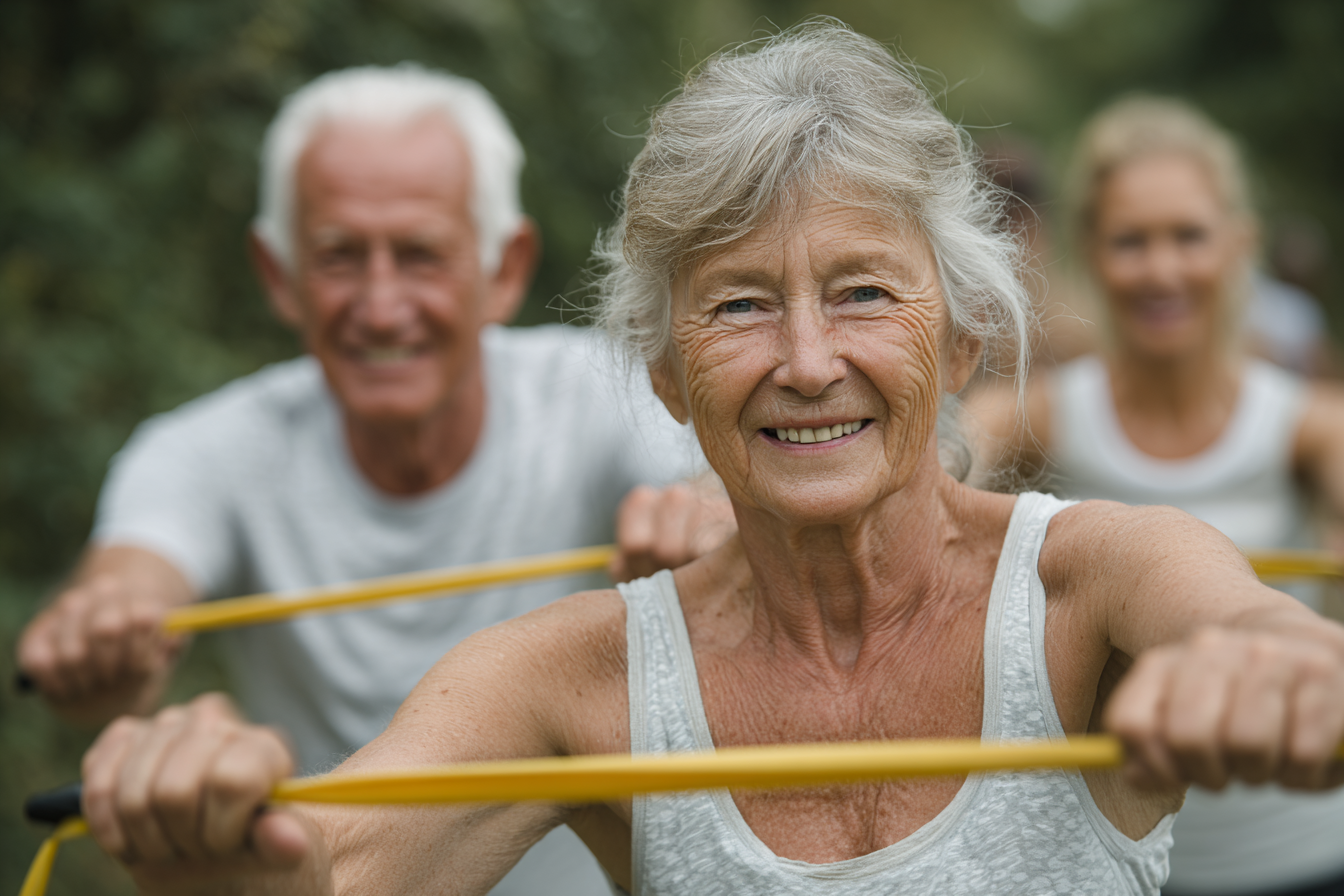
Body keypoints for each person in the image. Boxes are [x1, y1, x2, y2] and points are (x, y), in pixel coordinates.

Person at [73, 26, 1344, 896]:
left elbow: (1265, 633)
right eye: (738, 305)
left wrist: (1268, 670)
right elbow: (331, 859)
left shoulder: (1099, 577)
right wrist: (221, 832)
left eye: (860, 293)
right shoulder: (572, 672)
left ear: (958, 345)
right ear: (667, 376)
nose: (804, 359)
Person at [16, 65, 735, 896]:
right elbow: (130, 583)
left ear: (504, 268)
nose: (382, 304)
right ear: (277, 273)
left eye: (421, 255)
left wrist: (714, 524)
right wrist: (102, 630)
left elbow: (710, 491)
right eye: (339, 257)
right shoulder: (202, 449)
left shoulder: (609, 390)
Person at [968, 96, 1344, 896]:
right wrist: (721, 500)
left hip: (1314, 854)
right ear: (1092, 253)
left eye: (1189, 237)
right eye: (1132, 241)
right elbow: (941, 453)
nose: (1162, 269)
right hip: (1126, 871)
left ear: (1241, 244)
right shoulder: (1046, 411)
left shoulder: (1307, 423)